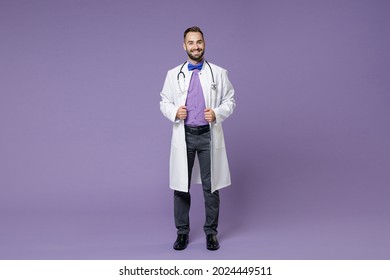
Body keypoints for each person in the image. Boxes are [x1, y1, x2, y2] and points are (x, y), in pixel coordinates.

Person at [160, 26, 236, 251]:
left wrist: (217, 113)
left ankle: (211, 233)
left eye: (199, 42)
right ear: (184, 46)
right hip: (184, 135)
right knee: (181, 186)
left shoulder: (219, 73)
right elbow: (164, 101)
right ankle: (182, 233)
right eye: (191, 43)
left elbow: (230, 100)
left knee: (211, 187)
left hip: (207, 136)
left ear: (204, 43)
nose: (196, 46)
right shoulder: (173, 74)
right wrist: (175, 112)